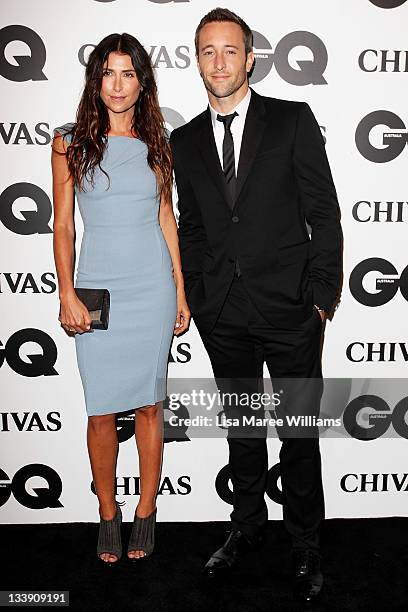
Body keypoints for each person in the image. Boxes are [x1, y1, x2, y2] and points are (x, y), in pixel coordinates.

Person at [170, 8, 342, 603]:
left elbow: (323, 210)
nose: (218, 62)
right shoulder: (184, 140)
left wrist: (322, 295)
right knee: (243, 432)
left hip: (291, 310)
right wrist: (193, 294)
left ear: (250, 58)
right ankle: (245, 528)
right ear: (198, 60)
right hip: (224, 313)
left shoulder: (292, 121)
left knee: (298, 434)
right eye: (207, 51)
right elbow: (191, 226)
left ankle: (305, 544)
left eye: (229, 50)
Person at [52, 32, 189, 566]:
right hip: (97, 289)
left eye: (128, 73)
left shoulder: (159, 142)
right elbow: (62, 227)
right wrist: (66, 291)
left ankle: (146, 510)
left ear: (142, 82)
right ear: (95, 80)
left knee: (151, 406)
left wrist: (179, 288)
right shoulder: (69, 141)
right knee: (102, 410)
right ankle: (107, 512)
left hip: (150, 287)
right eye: (108, 73)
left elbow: (165, 218)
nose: (117, 84)